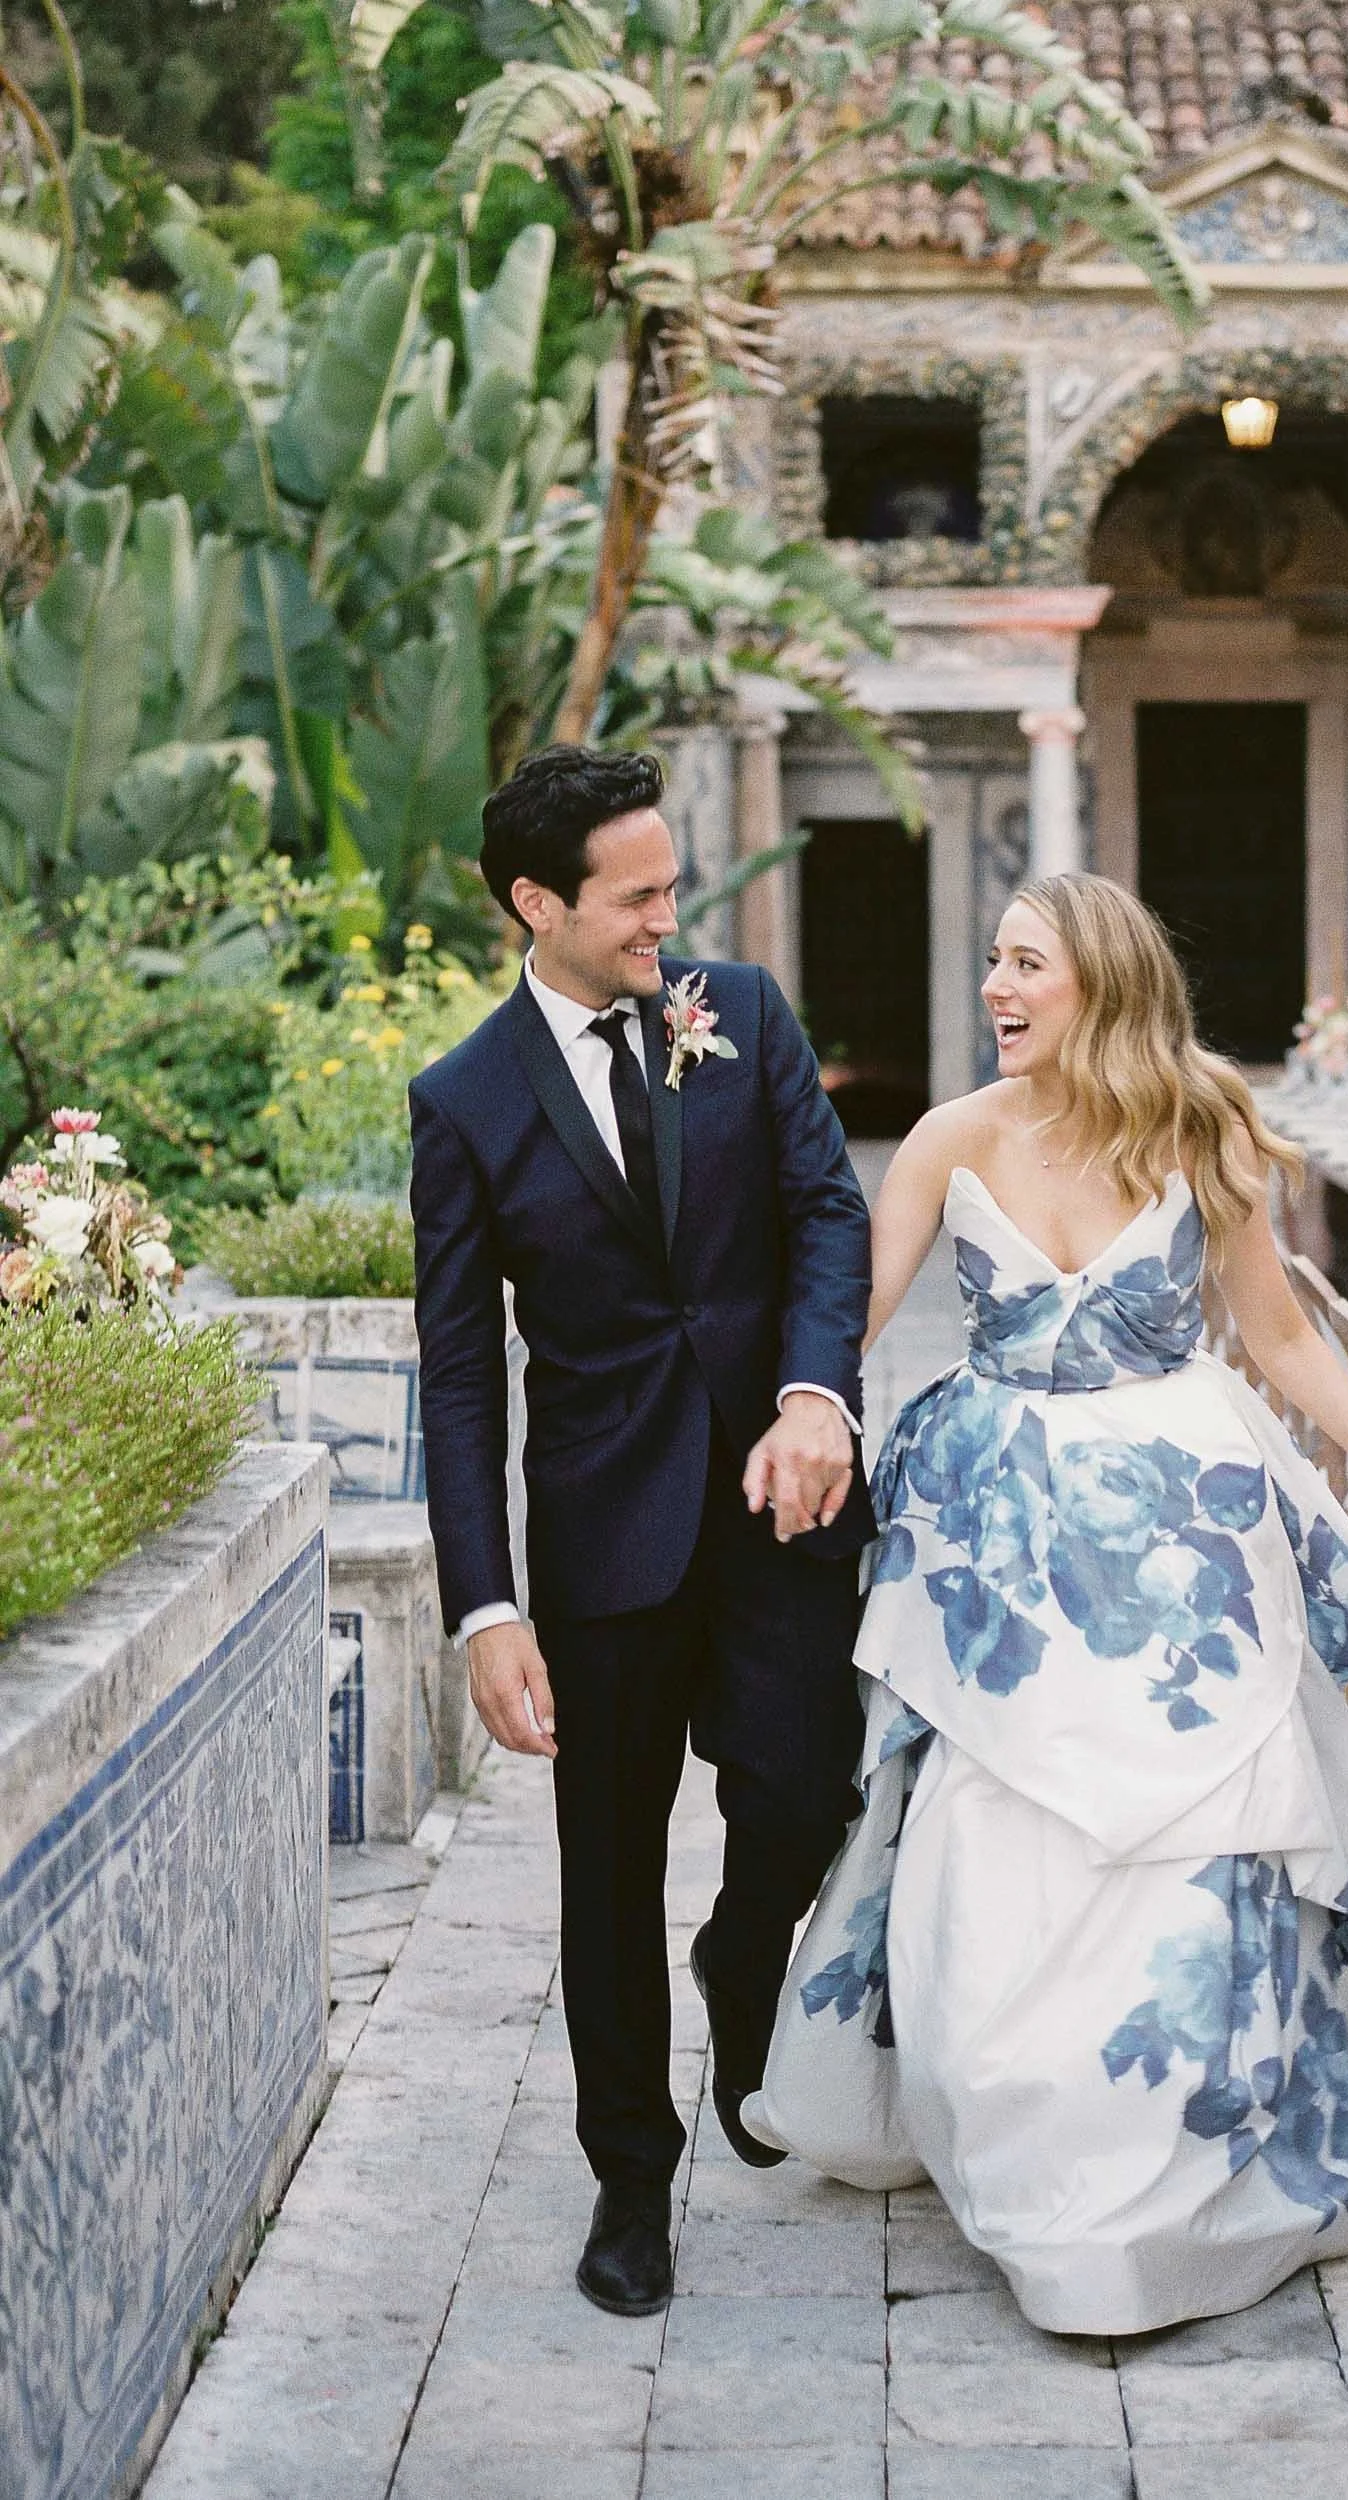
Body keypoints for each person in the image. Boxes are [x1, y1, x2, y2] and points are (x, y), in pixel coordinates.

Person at [752, 872, 1348, 2337]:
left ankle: (1198, 2134)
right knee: (996, 1812)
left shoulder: (1204, 1123)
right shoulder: (945, 1137)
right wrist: (794, 1414)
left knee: (1206, 1812)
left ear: (1099, 983)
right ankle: (1009, 2102)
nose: (994, 986)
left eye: (1024, 963)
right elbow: (837, 1322)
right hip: (995, 1533)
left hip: (1181, 1532)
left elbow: (1281, 1337)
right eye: (991, 959)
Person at [409, 745, 873, 2320]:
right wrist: (485, 1610)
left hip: (782, 1501)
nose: (670, 917)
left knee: (810, 1788)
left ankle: (745, 1963)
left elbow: (826, 1209)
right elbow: (462, 1373)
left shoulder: (739, 1014)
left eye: (674, 885)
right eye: (638, 895)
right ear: (538, 903)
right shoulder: (463, 1102)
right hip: (602, 1541)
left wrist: (817, 1391)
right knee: (606, 1868)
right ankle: (630, 2175)